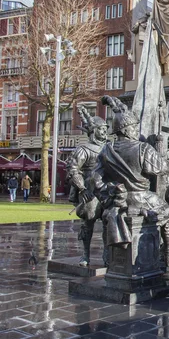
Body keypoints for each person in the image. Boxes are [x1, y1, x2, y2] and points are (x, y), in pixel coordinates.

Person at [94, 96, 169, 276]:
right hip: (141, 197)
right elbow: (160, 169)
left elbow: (95, 180)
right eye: (134, 127)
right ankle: (168, 254)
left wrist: (109, 196)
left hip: (119, 200)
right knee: (168, 214)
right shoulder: (143, 148)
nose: (136, 130)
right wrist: (168, 157)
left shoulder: (106, 150)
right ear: (126, 129)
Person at [67, 107, 109, 267]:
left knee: (108, 222)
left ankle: (107, 254)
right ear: (93, 131)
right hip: (90, 191)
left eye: (106, 129)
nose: (104, 133)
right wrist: (81, 188)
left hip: (106, 190)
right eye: (101, 129)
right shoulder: (83, 149)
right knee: (88, 222)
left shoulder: (109, 148)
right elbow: (72, 169)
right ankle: (85, 254)